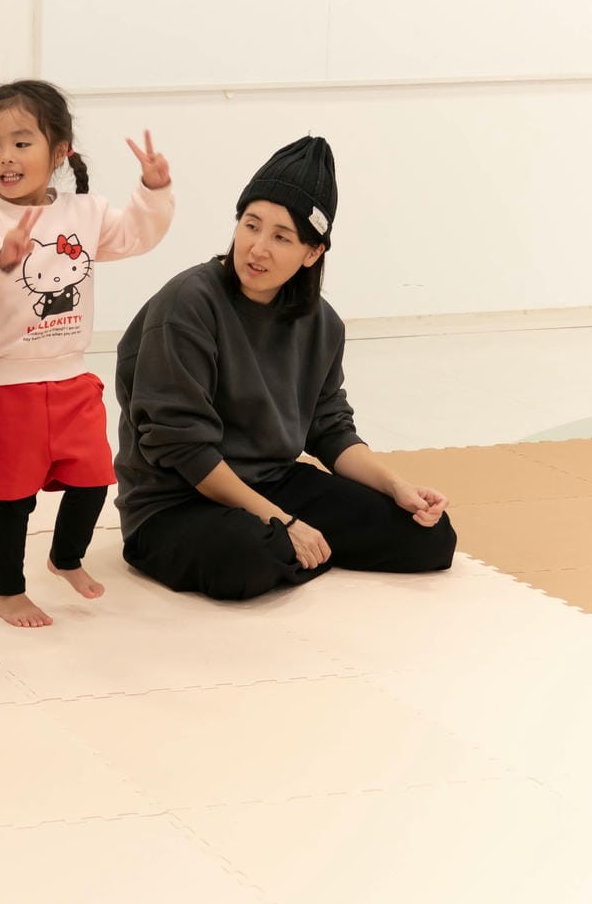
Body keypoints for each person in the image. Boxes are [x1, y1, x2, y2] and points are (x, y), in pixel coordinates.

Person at [114, 136, 457, 601]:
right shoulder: (187, 304)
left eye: (281, 237)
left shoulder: (322, 323)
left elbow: (330, 428)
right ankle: (291, 545)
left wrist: (398, 486)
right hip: (177, 501)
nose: (257, 248)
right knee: (251, 557)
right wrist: (283, 521)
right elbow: (183, 448)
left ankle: (294, 547)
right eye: (250, 225)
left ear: (312, 253)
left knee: (430, 536)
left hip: (274, 483)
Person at [0, 79, 174, 628]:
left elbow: (135, 236)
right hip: (4, 382)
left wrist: (153, 189)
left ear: (59, 152)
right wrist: (3, 252)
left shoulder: (86, 212)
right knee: (13, 497)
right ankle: (8, 591)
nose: (6, 156)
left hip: (70, 375)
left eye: (21, 143)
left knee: (94, 476)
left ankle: (65, 557)